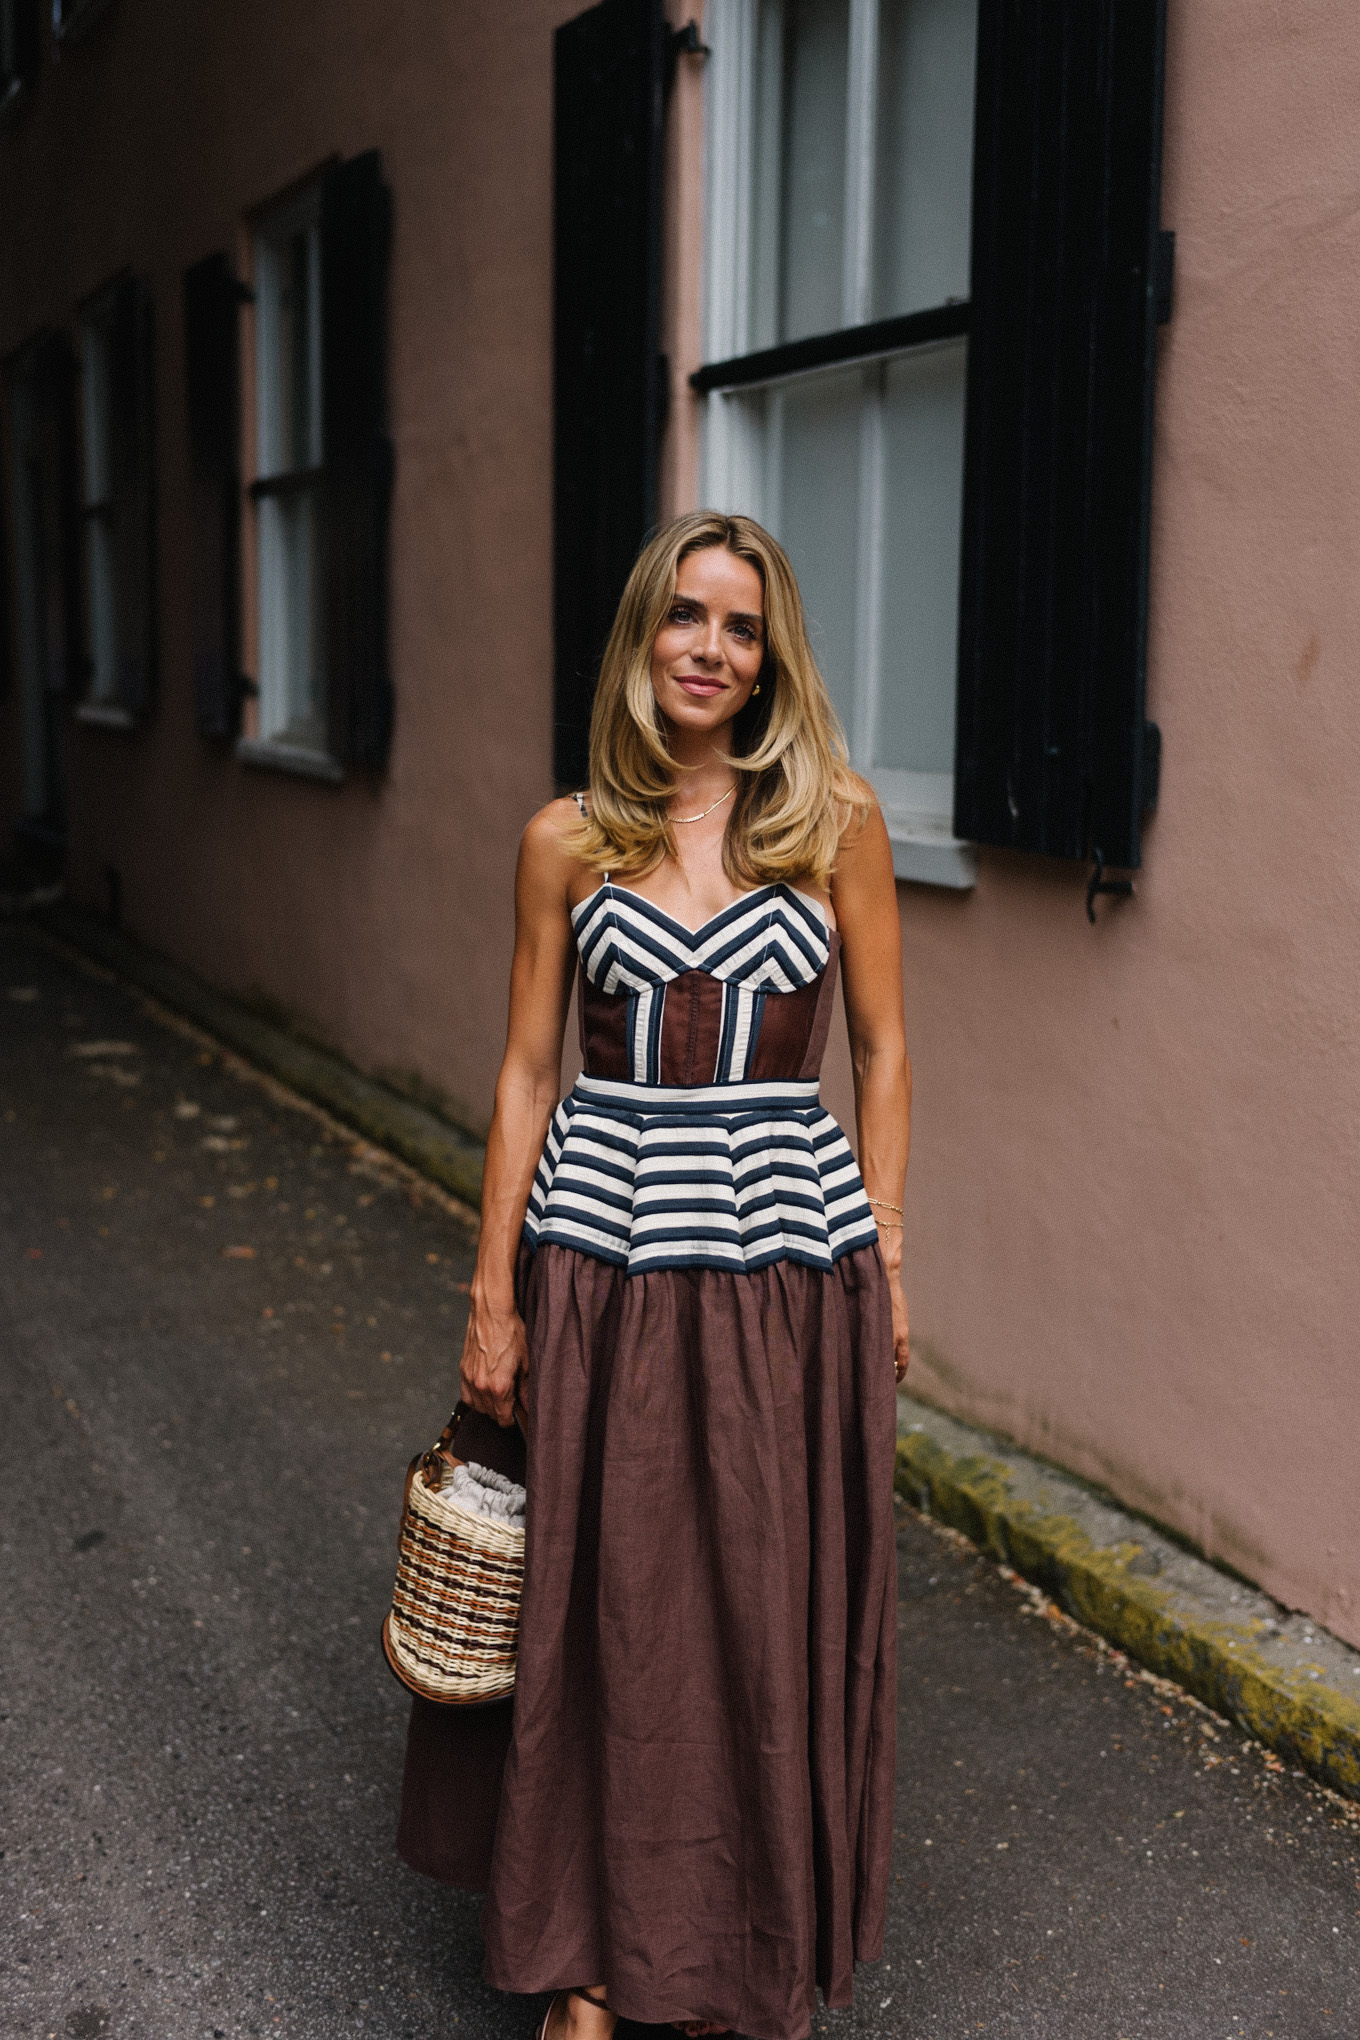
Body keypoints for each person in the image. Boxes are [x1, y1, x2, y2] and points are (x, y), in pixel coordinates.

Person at [455, 510, 910, 2040]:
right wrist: (491, 1293)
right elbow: (526, 1075)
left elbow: (888, 1054)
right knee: (605, 1607)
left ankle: (739, 1955)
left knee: (758, 1610)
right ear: (643, 638)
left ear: (771, 658)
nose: (711, 650)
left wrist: (890, 1259)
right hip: (604, 1264)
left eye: (741, 626)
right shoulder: (565, 839)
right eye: (686, 618)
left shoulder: (835, 823)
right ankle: (589, 1962)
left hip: (791, 1274)